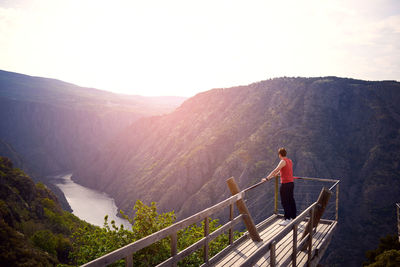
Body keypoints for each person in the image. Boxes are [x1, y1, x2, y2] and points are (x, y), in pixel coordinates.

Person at [261, 147, 296, 226]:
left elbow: (275, 170)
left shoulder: (282, 161)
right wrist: (278, 174)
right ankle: (293, 216)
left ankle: (287, 219)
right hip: (291, 183)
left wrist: (267, 178)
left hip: (285, 184)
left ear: (279, 155)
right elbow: (285, 170)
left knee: (284, 201)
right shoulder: (289, 161)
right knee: (291, 200)